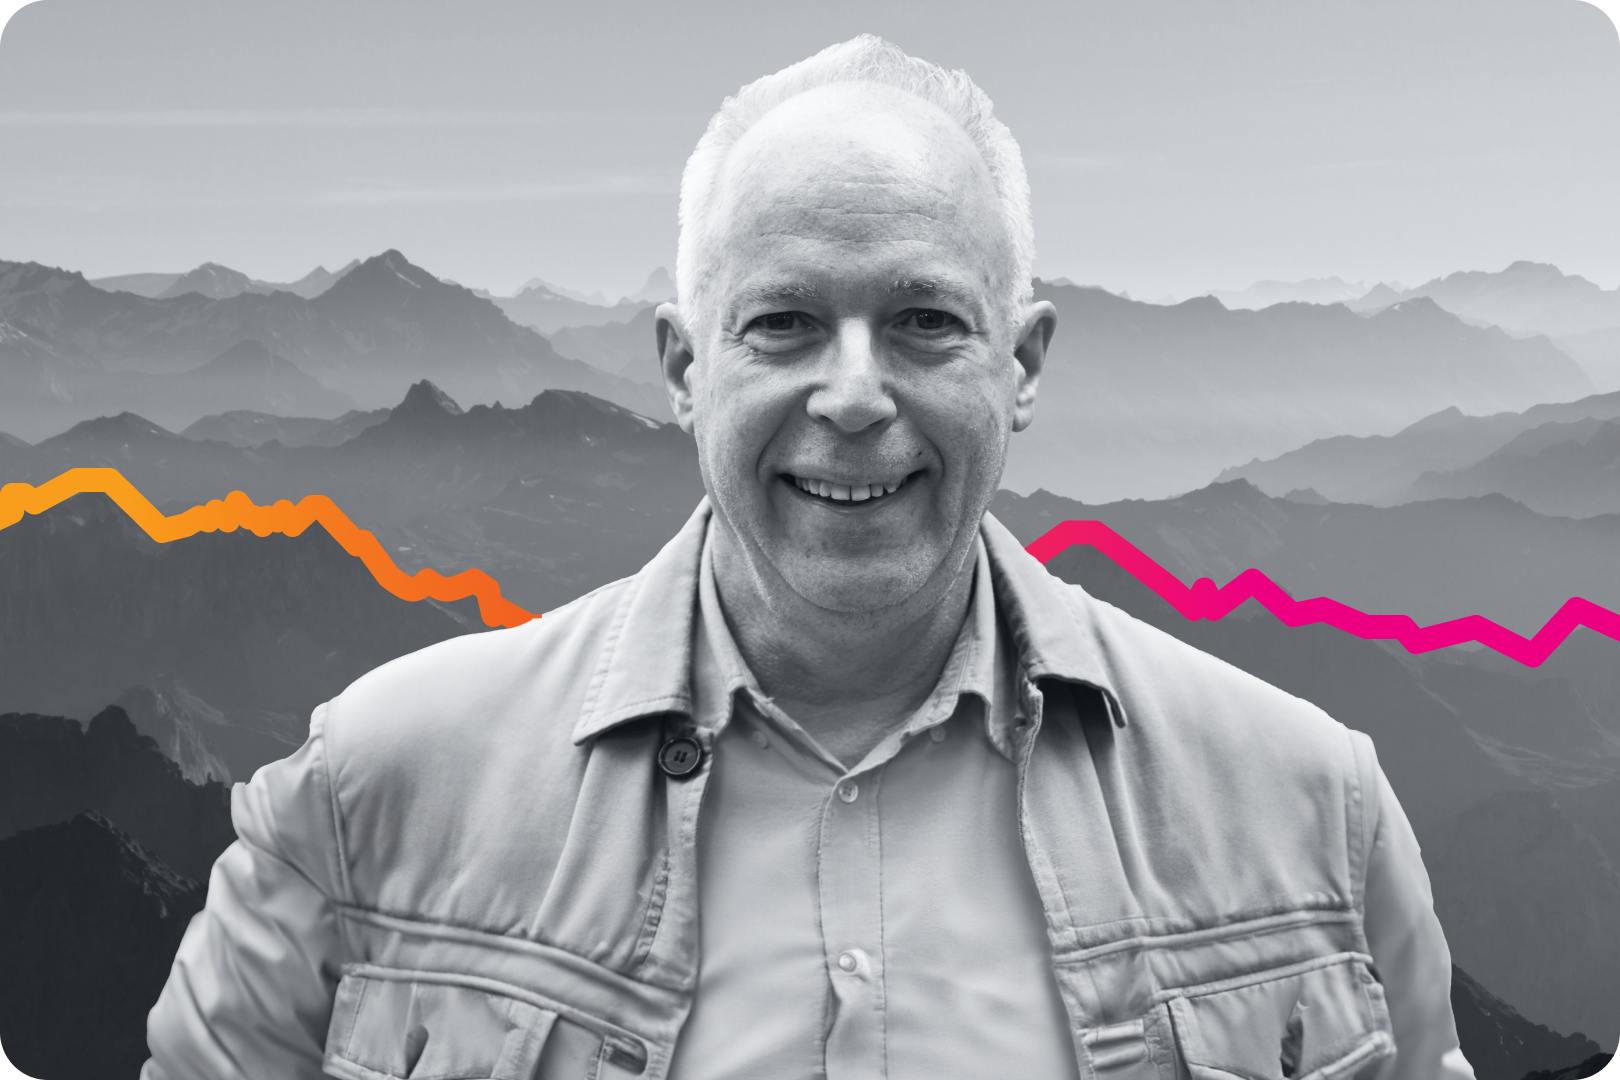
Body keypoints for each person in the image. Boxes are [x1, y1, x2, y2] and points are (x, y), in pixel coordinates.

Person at [144, 35, 1473, 1080]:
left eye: (923, 322)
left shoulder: (1314, 816)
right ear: (683, 366)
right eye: (783, 323)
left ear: (1021, 366)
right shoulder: (368, 796)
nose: (852, 394)